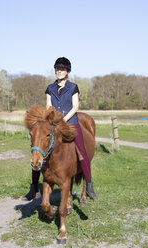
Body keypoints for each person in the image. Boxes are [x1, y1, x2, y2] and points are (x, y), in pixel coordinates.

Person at [22, 57, 98, 201]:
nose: (59, 71)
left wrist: (63, 119)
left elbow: (75, 107)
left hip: (71, 122)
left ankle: (88, 184)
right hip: (54, 123)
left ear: (67, 71)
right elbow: (49, 107)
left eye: (62, 69)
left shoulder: (73, 87)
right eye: (57, 69)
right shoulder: (50, 88)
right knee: (38, 149)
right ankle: (34, 187)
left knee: (81, 151)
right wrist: (52, 120)